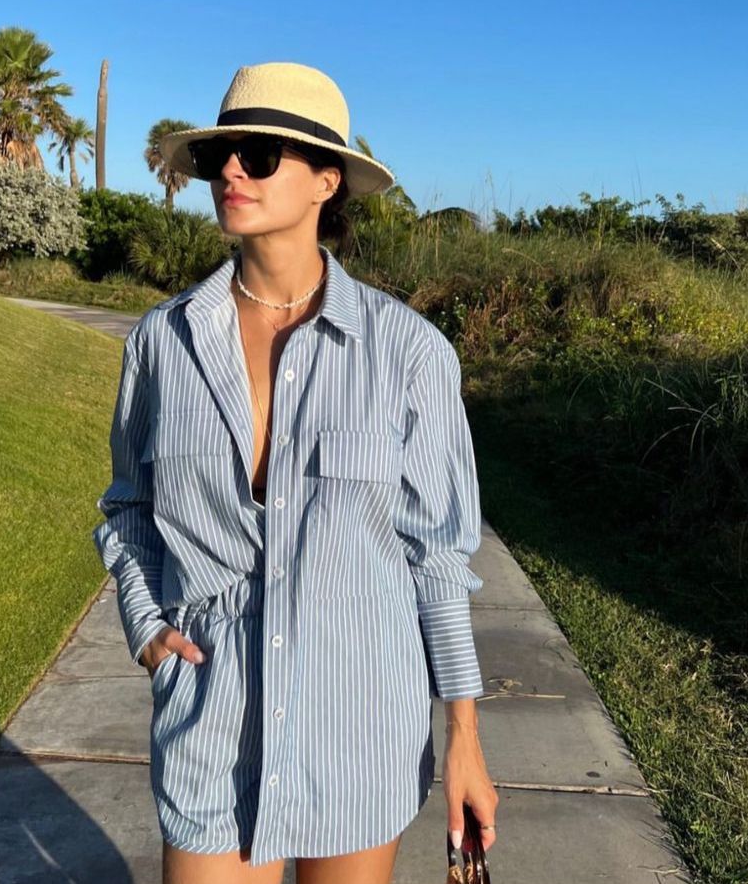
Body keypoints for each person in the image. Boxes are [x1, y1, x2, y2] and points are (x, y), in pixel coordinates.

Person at [92, 61, 498, 884]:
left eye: (259, 154)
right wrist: (146, 626)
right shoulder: (163, 343)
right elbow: (129, 506)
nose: (231, 173)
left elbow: (436, 554)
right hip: (210, 721)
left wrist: (464, 735)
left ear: (326, 180)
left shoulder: (408, 353)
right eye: (220, 156)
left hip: (359, 727)